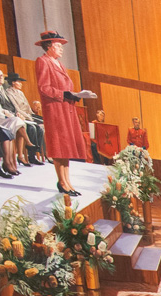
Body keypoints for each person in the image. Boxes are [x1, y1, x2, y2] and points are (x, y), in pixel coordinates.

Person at [33, 31, 95, 195]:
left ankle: (67, 181)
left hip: (65, 108)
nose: (61, 49)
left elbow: (64, 87)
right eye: (58, 45)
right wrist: (64, 94)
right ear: (49, 46)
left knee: (66, 147)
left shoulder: (59, 64)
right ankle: (62, 182)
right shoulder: (43, 61)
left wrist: (74, 95)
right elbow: (43, 88)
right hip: (55, 110)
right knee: (59, 147)